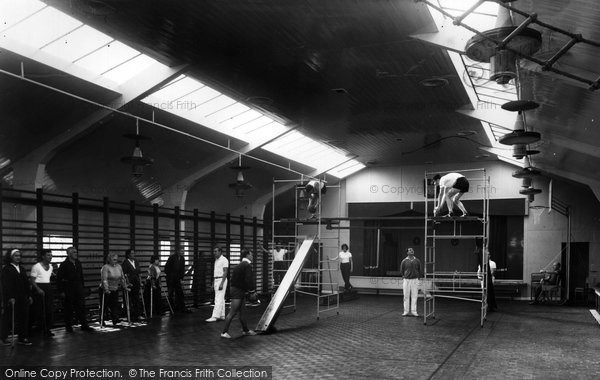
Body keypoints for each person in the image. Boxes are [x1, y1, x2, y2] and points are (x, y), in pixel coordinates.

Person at [221, 249, 257, 339]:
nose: (252, 256)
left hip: (239, 290)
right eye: (251, 254)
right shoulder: (247, 265)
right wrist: (252, 291)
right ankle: (224, 332)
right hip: (238, 291)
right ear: (248, 255)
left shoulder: (239, 265)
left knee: (242, 312)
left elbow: (237, 280)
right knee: (232, 312)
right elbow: (248, 280)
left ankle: (246, 330)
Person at [0, 248, 33, 345]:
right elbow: (6, 285)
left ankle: (22, 338)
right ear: (11, 257)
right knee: (9, 319)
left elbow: (26, 283)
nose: (18, 257)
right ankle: (3, 338)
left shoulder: (21, 269)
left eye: (19, 255)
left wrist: (29, 295)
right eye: (16, 255)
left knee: (23, 317)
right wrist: (10, 297)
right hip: (12, 298)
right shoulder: (7, 269)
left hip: (23, 297)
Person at [57, 247, 93, 332]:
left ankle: (84, 325)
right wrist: (61, 291)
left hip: (79, 287)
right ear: (69, 254)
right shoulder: (64, 264)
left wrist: (82, 287)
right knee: (68, 308)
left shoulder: (78, 263)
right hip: (69, 288)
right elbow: (59, 278)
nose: (76, 254)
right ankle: (68, 326)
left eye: (76, 252)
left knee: (81, 307)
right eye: (73, 252)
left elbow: (81, 276)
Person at [29, 249, 55, 337]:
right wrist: (38, 289)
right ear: (43, 256)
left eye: (51, 255)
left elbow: (48, 278)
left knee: (48, 310)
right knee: (37, 311)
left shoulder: (51, 267)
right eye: (48, 255)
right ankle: (31, 330)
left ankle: (46, 329)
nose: (50, 257)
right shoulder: (36, 266)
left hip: (47, 288)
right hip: (38, 289)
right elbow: (32, 280)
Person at [101, 253, 129, 326]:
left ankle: (114, 319)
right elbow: (104, 279)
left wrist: (125, 286)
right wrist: (106, 289)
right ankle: (102, 319)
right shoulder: (105, 267)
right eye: (114, 260)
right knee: (104, 305)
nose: (115, 261)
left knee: (114, 305)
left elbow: (122, 278)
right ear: (109, 260)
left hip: (115, 288)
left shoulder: (119, 267)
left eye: (116, 259)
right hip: (105, 289)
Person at [206, 247, 229, 323]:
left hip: (221, 280)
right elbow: (215, 273)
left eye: (216, 251)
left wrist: (222, 283)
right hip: (216, 280)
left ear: (220, 252)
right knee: (221, 299)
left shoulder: (224, 260)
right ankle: (222, 315)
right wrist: (213, 283)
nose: (214, 253)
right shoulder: (216, 260)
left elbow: (225, 272)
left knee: (218, 299)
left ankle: (215, 316)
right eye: (214, 251)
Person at [164, 248, 190, 313]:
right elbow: (166, 268)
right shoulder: (172, 257)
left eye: (183, 251)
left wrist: (181, 278)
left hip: (178, 278)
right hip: (171, 278)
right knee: (171, 293)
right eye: (181, 251)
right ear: (178, 251)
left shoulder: (182, 259)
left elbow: (182, 269)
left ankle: (181, 307)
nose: (183, 252)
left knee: (180, 293)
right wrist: (170, 275)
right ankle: (172, 308)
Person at [400, 248, 422, 317]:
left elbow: (420, 269)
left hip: (415, 280)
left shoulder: (417, 260)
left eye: (412, 250)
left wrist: (418, 278)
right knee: (406, 296)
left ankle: (414, 311)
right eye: (410, 250)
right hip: (406, 280)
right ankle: (406, 311)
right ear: (407, 252)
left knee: (414, 296)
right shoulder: (404, 261)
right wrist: (404, 276)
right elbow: (401, 270)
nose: (411, 250)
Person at [122, 249, 142, 322]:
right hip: (129, 282)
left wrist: (140, 281)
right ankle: (129, 315)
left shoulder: (136, 261)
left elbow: (139, 272)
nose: (133, 254)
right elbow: (125, 274)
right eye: (132, 253)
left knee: (136, 298)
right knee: (128, 299)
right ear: (128, 254)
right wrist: (127, 283)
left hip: (136, 282)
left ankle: (137, 314)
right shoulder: (125, 262)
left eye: (134, 253)